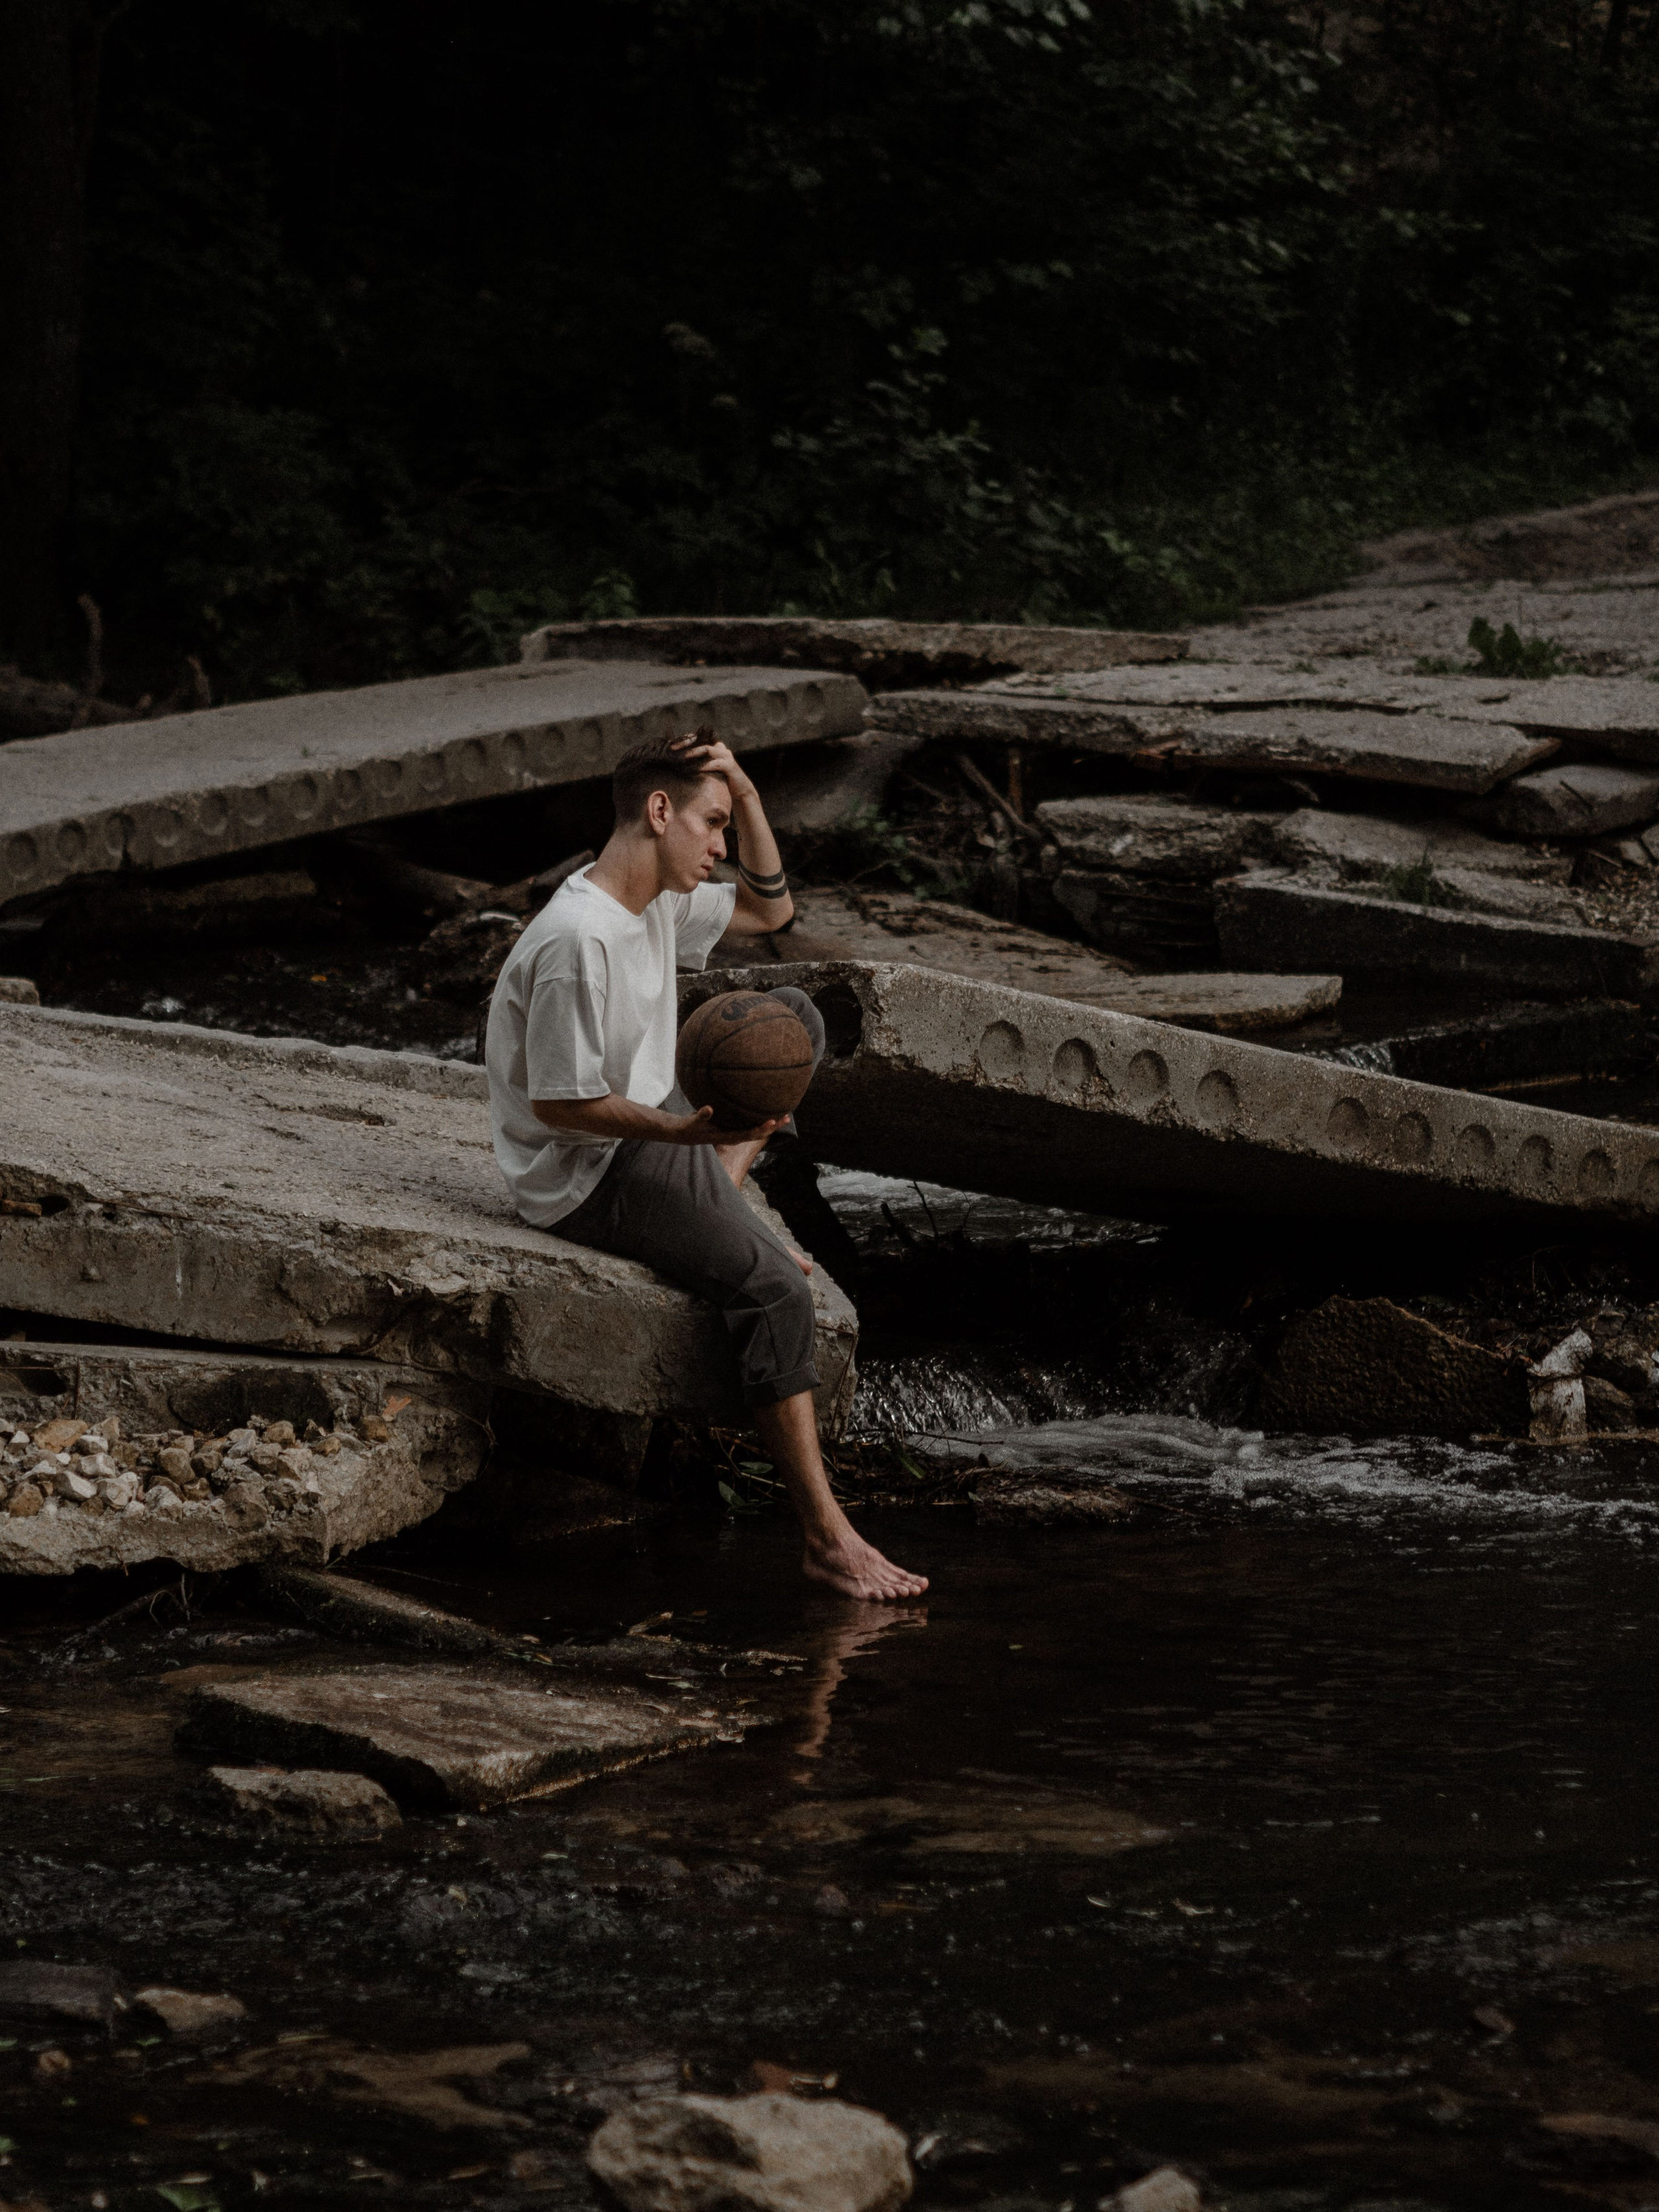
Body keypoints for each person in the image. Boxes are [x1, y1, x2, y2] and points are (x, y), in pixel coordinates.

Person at [485, 727, 927, 1603]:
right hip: (585, 1172)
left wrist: (748, 793)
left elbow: (772, 912)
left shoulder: (652, 899)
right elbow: (562, 1107)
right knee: (777, 1289)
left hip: (651, 1134)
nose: (722, 845)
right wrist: (682, 1137)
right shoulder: (579, 941)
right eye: (713, 823)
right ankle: (827, 1537)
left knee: (793, 1018)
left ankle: (713, 1207)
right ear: (660, 812)